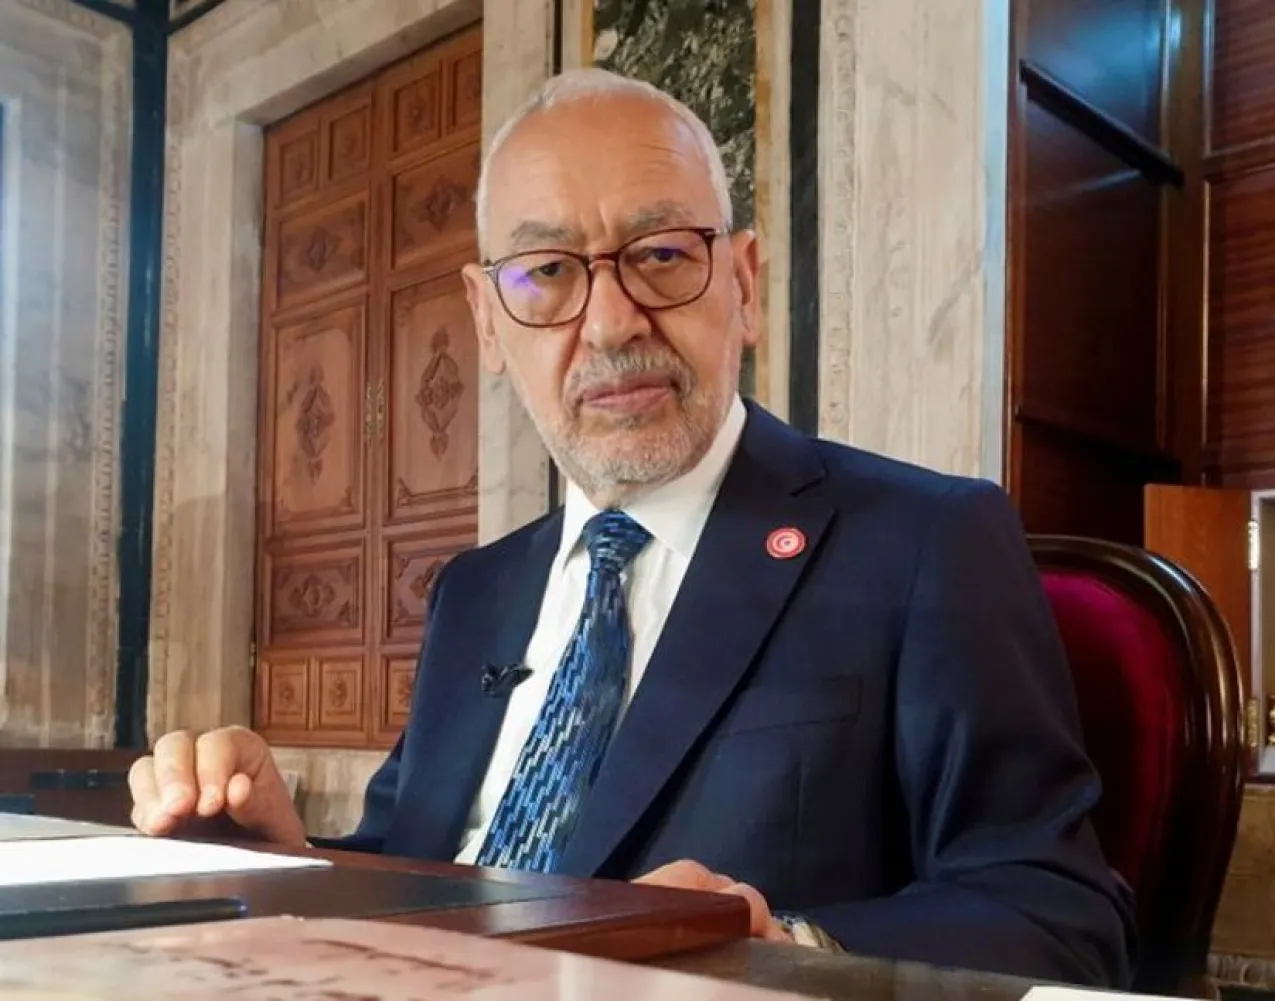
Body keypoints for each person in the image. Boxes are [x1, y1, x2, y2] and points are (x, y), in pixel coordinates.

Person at [128, 68, 1134, 984]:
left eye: (659, 255)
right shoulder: (474, 590)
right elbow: (418, 860)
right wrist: (286, 857)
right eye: (549, 274)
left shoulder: (924, 541)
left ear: (742, 286)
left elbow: (1060, 913)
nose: (610, 323)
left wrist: (788, 948)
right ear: (486, 321)